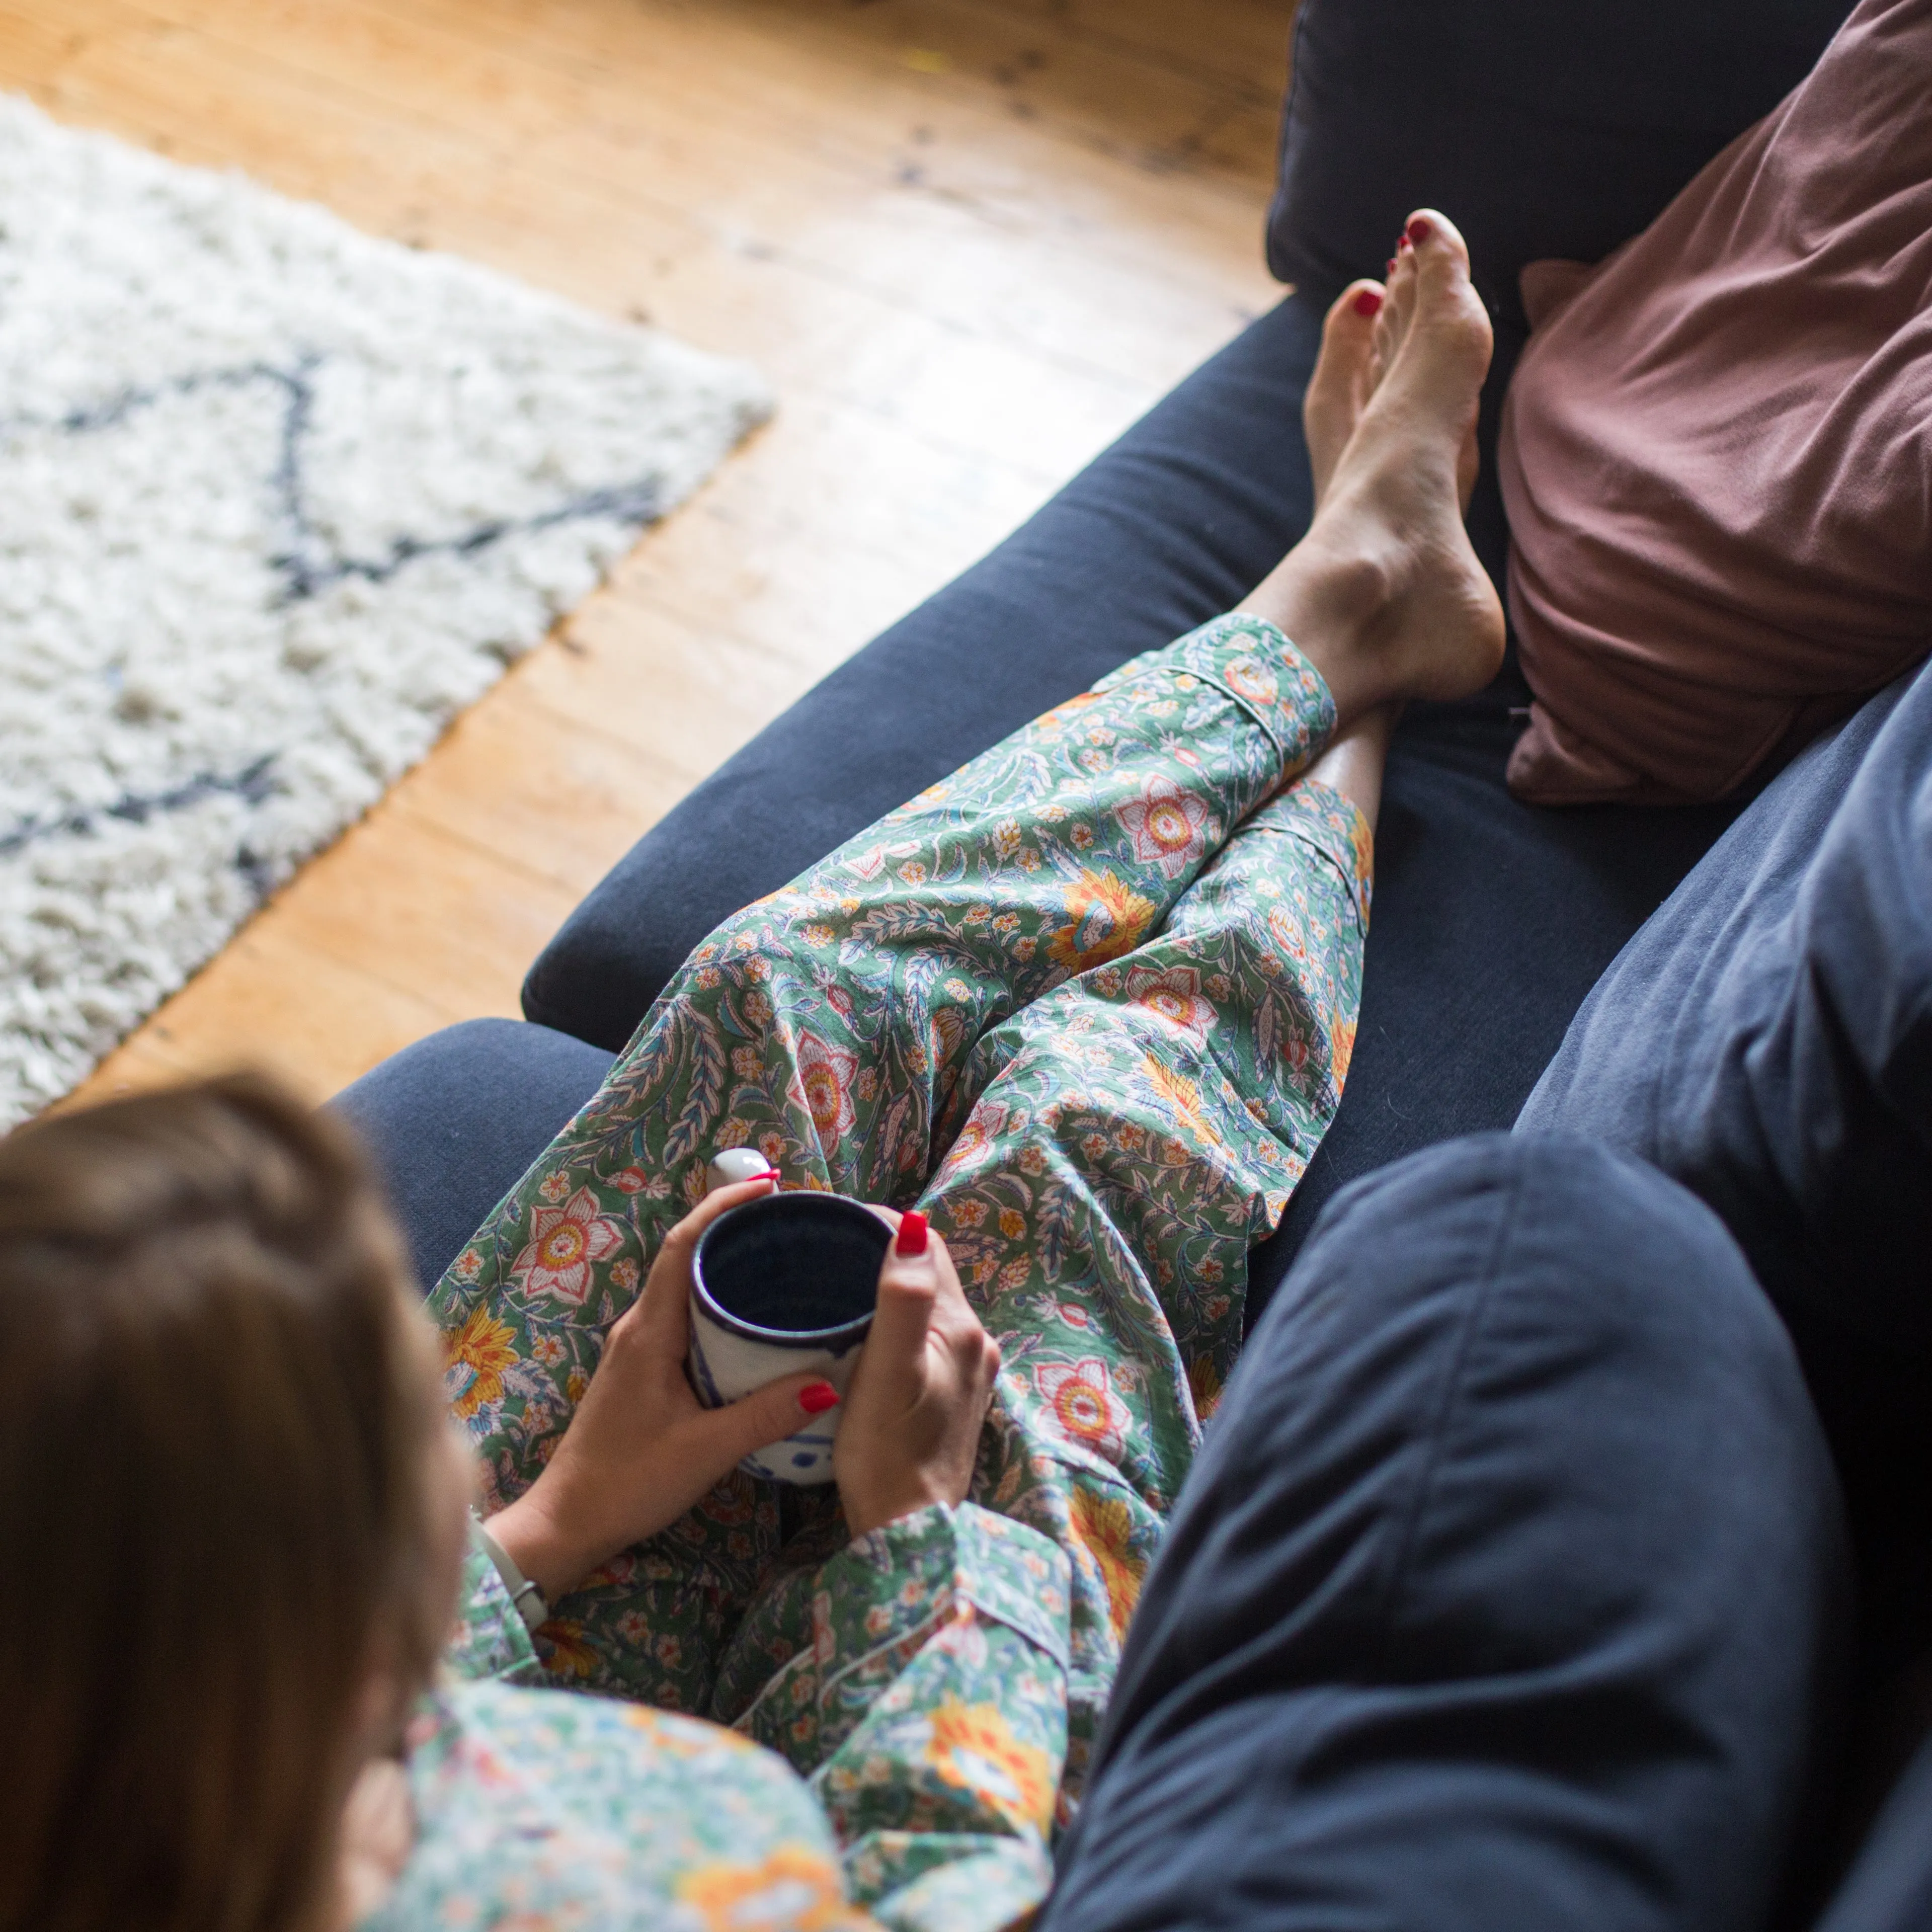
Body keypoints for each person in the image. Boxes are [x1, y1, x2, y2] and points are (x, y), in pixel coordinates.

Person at [2, 207, 1507, 1932]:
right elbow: (951, 1893)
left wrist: (555, 1522)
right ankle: (1358, 672)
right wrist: (915, 1540)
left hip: (490, 1643)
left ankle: (1344, 616)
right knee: (1082, 1159)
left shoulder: (119, 1762)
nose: (440, 1375)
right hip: (906, 1750)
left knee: (778, 996)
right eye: (410, 1405)